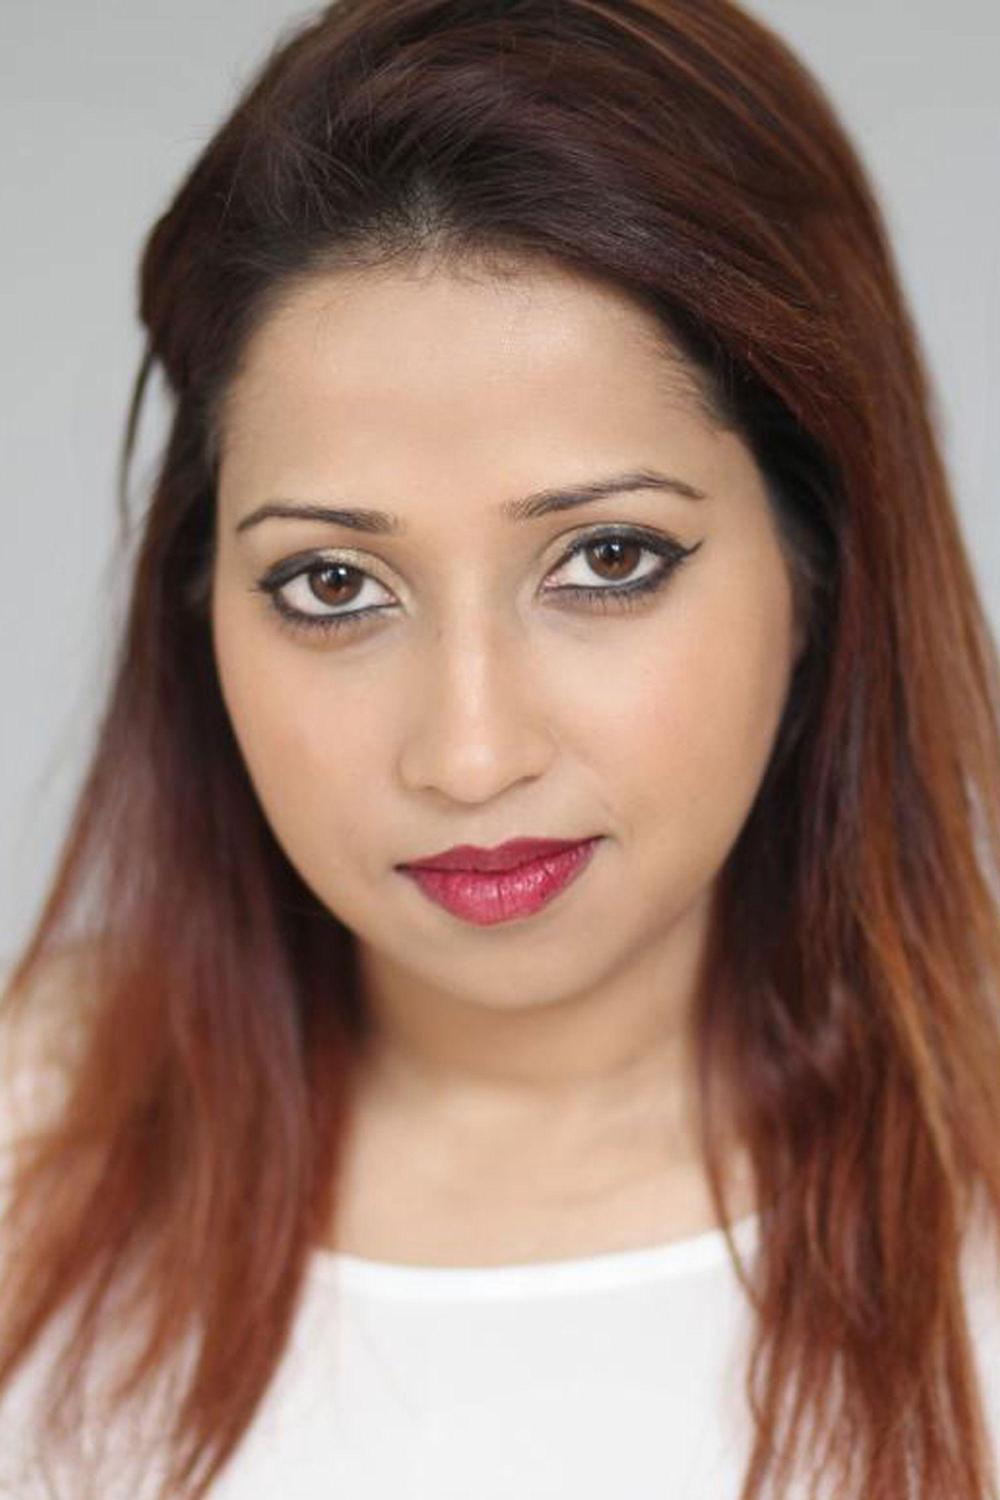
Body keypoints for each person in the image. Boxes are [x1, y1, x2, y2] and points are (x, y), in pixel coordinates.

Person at [1, 0, 999, 1496]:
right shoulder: (26, 1150)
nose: (470, 758)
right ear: (202, 605)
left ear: (820, 568)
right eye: (332, 584)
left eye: (608, 559)